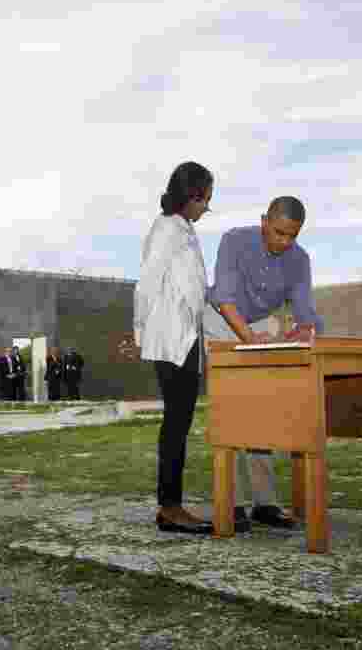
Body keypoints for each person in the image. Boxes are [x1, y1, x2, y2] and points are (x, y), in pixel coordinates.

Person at [204, 195, 325, 531]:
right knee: (231, 408)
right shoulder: (234, 240)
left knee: (262, 409)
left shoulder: (299, 259)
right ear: (264, 222)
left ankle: (265, 503)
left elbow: (304, 310)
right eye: (278, 233)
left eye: (292, 236)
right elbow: (224, 298)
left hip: (259, 324)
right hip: (222, 320)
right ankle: (232, 503)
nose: (284, 242)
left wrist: (306, 328)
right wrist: (248, 339)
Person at [133, 161, 226, 535]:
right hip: (172, 339)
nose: (207, 207)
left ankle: (170, 505)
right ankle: (169, 508)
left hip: (185, 337)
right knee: (176, 423)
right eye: (206, 200)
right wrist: (140, 329)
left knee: (179, 421)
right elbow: (147, 284)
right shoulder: (167, 229)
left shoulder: (183, 228)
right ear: (191, 196)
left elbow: (196, 291)